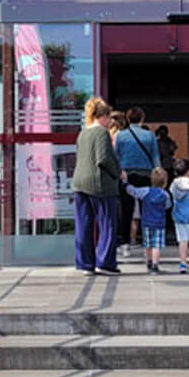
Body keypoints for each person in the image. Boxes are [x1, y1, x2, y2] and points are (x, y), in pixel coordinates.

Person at [69, 97, 122, 276]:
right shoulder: (101, 133)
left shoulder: (82, 133)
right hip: (100, 184)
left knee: (84, 224)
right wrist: (118, 173)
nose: (109, 122)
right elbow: (103, 158)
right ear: (103, 116)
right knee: (107, 224)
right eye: (108, 117)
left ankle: (85, 264)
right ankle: (105, 262)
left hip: (79, 183)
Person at [113, 106, 159, 256]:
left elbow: (116, 156)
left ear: (127, 119)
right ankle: (149, 242)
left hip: (126, 175)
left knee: (126, 210)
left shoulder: (121, 136)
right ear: (142, 119)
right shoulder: (149, 136)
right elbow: (155, 157)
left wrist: (119, 172)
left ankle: (124, 243)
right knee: (146, 209)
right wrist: (157, 171)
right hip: (145, 175)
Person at [124, 167, 172, 274]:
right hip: (159, 223)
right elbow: (168, 206)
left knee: (147, 244)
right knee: (156, 246)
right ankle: (155, 265)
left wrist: (126, 184)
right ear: (165, 182)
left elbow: (133, 191)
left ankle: (148, 262)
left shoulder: (145, 191)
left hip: (146, 222)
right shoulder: (165, 195)